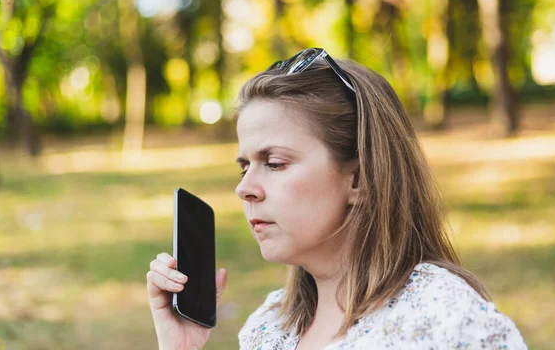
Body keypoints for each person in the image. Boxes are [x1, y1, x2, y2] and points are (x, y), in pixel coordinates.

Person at [146, 48, 527, 349]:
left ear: (359, 178)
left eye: (274, 163)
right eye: (244, 166)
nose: (244, 188)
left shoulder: (443, 316)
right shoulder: (269, 328)